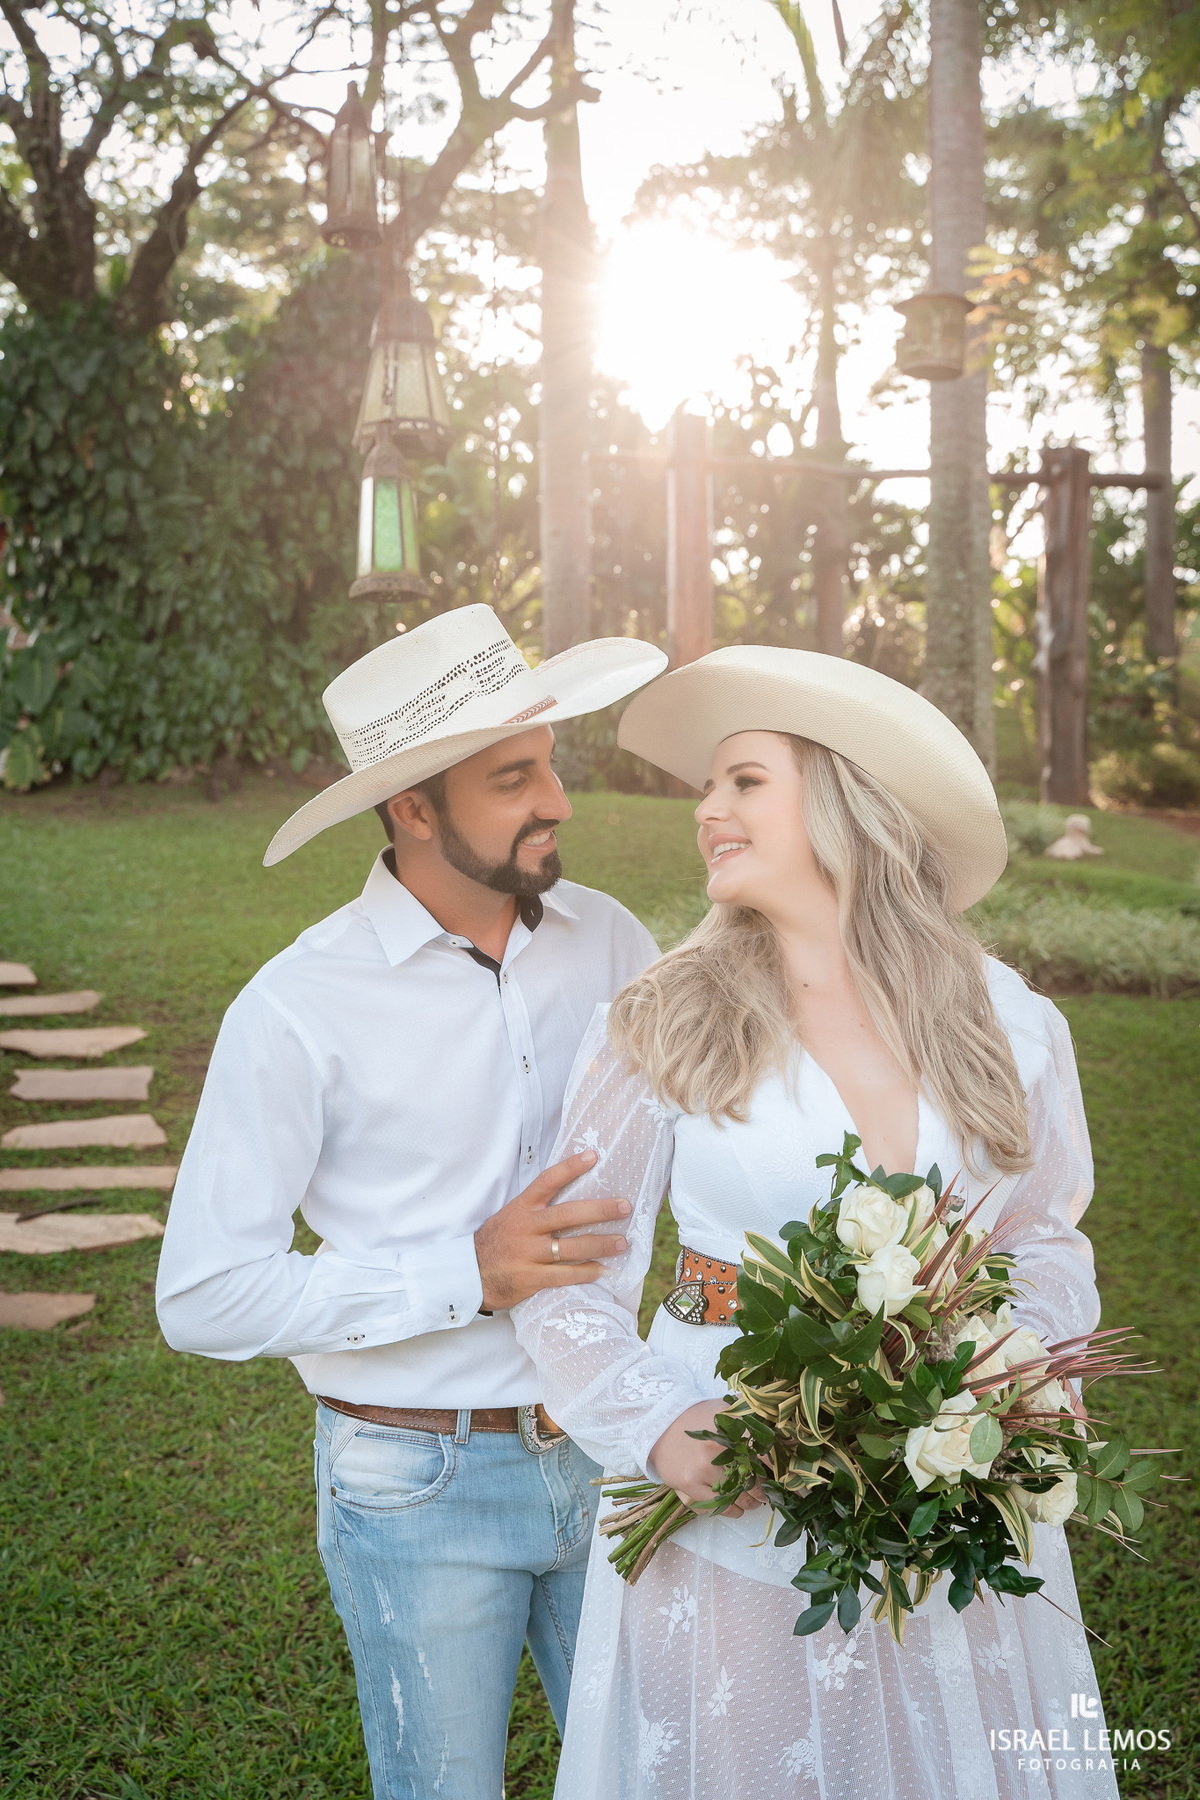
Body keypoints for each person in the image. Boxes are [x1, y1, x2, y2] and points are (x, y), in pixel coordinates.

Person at [511, 645, 1117, 1800]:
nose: (707, 811)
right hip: (732, 1482)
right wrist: (660, 1424)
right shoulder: (660, 1022)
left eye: (744, 780)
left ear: (843, 802)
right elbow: (565, 1278)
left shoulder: (1013, 1024)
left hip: (958, 1486)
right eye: (707, 787)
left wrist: (1012, 1372)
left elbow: (1043, 1239)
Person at [155, 604, 667, 1799]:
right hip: (413, 1478)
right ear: (412, 809)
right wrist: (464, 1272)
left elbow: (698, 1145)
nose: (559, 801)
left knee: (664, 1772)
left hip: (615, 1444)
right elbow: (204, 1294)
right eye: (512, 778)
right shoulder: (295, 1009)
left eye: (549, 763)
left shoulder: (613, 942)